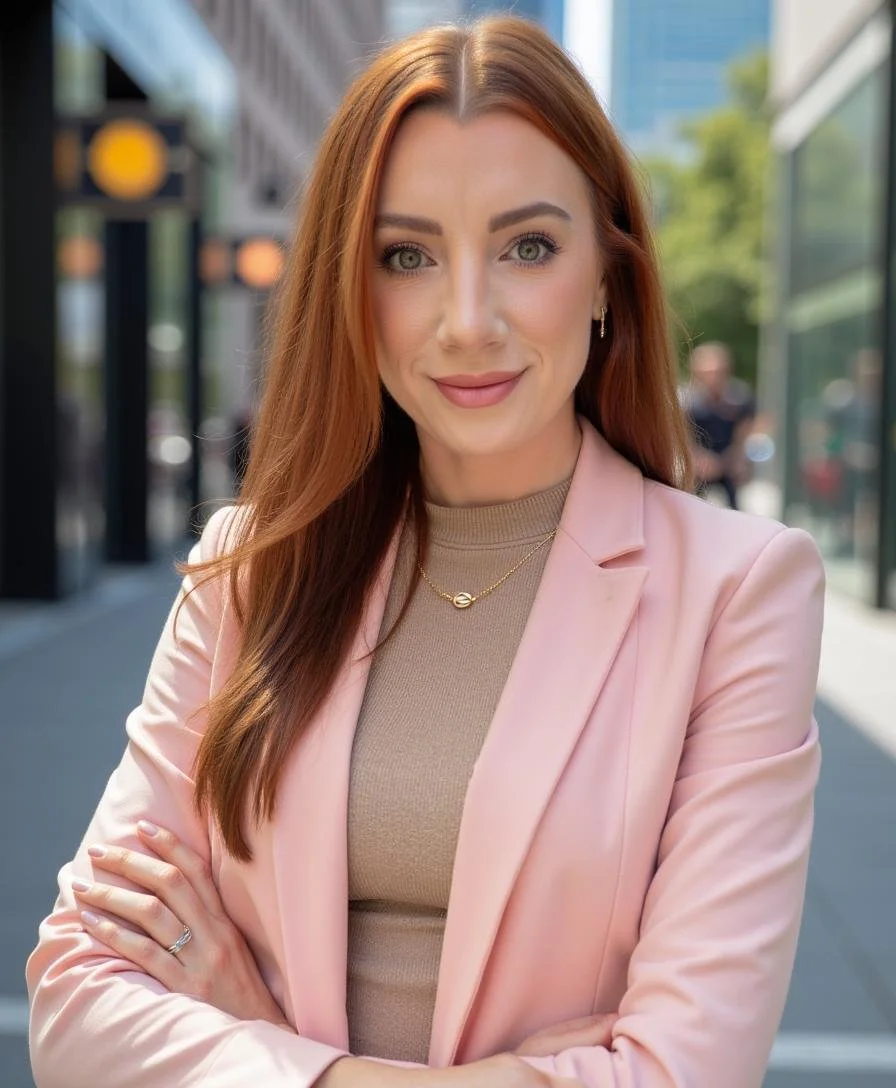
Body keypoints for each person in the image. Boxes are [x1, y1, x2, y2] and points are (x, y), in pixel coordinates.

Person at [27, 16, 825, 1088]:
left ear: (605, 277)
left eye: (526, 247)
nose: (465, 320)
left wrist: (259, 1034)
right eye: (405, 255)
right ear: (351, 292)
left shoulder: (735, 589)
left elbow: (688, 1063)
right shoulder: (254, 566)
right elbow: (76, 995)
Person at [682, 342, 756, 509]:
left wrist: (733, 459)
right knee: (690, 505)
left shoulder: (739, 398)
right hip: (699, 462)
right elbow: (682, 434)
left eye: (718, 372)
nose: (713, 378)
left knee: (735, 508)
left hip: (728, 459)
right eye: (707, 373)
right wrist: (698, 459)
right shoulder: (685, 400)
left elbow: (744, 430)